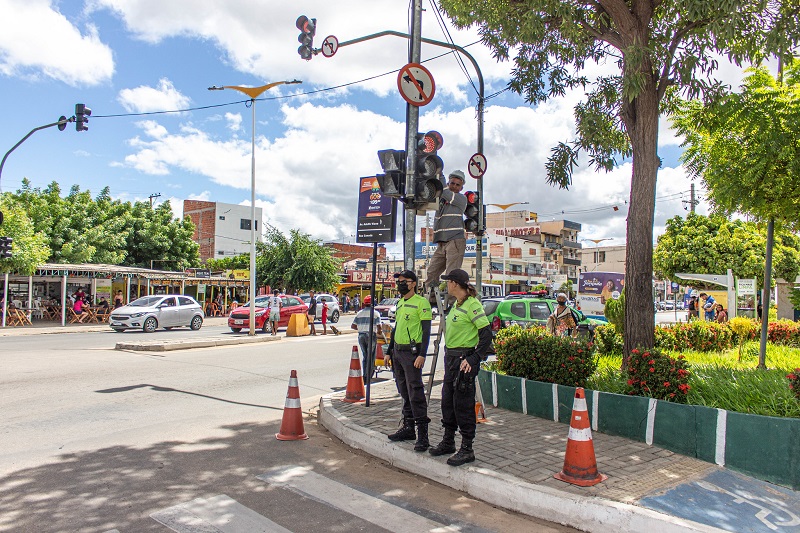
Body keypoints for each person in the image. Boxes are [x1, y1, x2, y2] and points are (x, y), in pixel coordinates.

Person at [428, 269, 492, 466]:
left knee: (463, 405)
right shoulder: (457, 304)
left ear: (455, 283)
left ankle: (467, 448)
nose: (446, 285)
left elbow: (486, 334)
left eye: (448, 282)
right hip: (451, 359)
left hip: (464, 361)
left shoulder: (472, 305)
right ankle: (448, 441)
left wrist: (474, 358)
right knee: (448, 402)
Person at [385, 269, 433, 452]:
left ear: (413, 283)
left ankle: (423, 435)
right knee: (404, 391)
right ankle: (408, 427)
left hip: (412, 354)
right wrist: (389, 351)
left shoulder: (421, 303)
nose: (401, 284)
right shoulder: (400, 303)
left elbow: (426, 331)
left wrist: (422, 354)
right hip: (398, 352)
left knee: (416, 393)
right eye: (399, 281)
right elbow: (396, 328)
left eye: (404, 281)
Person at [424, 170, 468, 298]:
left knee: (452, 276)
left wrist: (439, 172)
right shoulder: (441, 200)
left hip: (455, 240)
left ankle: (453, 304)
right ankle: (431, 299)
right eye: (452, 183)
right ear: (449, 183)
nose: (454, 186)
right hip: (442, 242)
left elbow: (444, 191)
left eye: (457, 185)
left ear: (461, 188)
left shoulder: (461, 199)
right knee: (432, 271)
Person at [351, 295, 382, 382]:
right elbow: (379, 327)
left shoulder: (359, 313)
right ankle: (367, 376)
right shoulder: (375, 313)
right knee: (371, 356)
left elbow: (353, 326)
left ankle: (365, 374)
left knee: (365, 356)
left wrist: (362, 328)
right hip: (371, 335)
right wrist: (379, 332)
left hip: (361, 335)